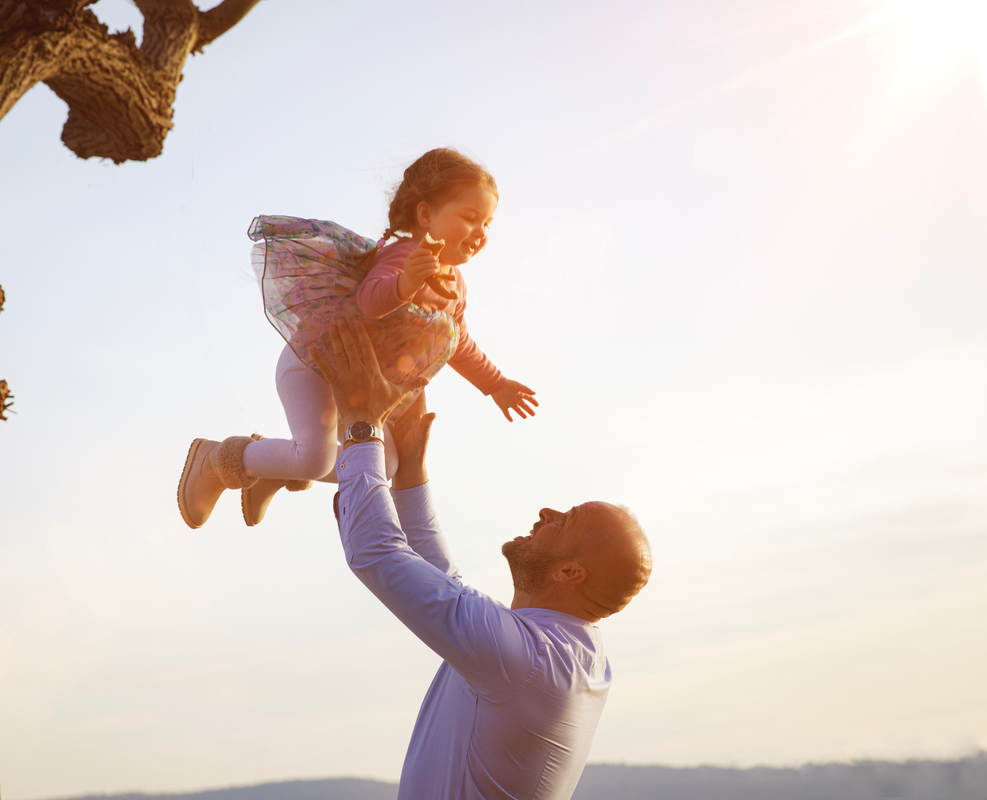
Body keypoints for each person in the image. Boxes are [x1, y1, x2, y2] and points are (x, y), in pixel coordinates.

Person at [315, 319, 652, 800]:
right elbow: (444, 585)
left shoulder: (528, 663)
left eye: (567, 519)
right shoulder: (565, 654)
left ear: (570, 572)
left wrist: (361, 423)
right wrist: (410, 474)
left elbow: (377, 554)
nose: (547, 511)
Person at [177, 149, 539, 529]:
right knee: (315, 459)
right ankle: (216, 459)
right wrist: (405, 284)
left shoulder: (456, 285)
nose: (481, 233)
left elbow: (458, 341)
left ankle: (275, 469)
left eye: (488, 224)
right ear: (426, 215)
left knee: (387, 463)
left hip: (353, 387)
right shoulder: (406, 256)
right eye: (470, 218)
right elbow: (368, 301)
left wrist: (495, 384)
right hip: (312, 365)